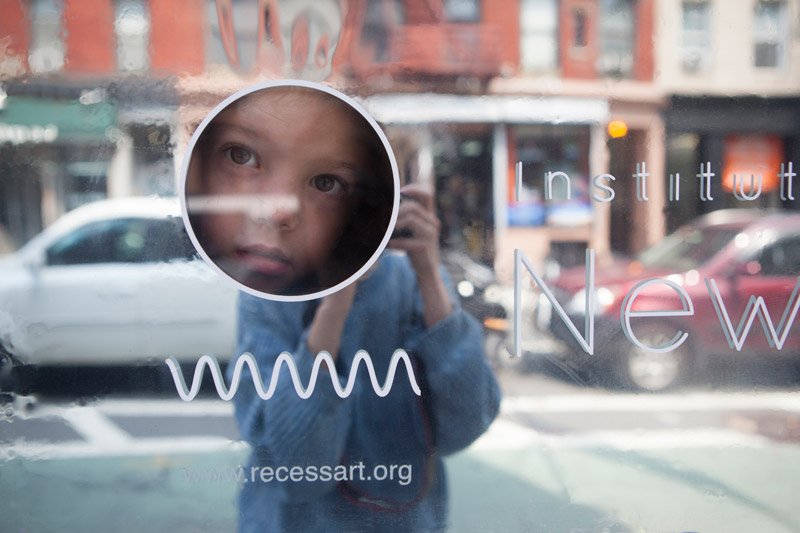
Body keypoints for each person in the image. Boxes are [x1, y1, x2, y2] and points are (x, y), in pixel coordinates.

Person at [229, 184, 501, 532]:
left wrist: (429, 273)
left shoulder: (412, 280)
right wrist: (336, 296)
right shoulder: (270, 290)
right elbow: (297, 473)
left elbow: (466, 427)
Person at [185, 84, 393, 296]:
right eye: (241, 156)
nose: (276, 213)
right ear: (196, 169)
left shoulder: (388, 283)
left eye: (326, 183)